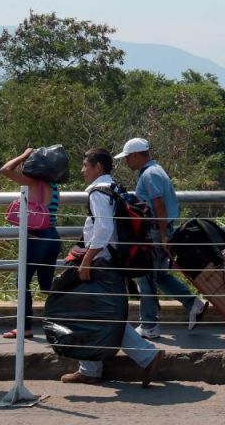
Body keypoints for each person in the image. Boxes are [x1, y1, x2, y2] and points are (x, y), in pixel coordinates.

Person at [59, 149, 163, 386]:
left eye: (86, 165)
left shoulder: (98, 192)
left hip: (101, 262)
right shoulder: (113, 187)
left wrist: (87, 260)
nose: (83, 170)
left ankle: (145, 355)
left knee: (101, 313)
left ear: (98, 168)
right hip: (111, 259)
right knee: (96, 312)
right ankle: (91, 368)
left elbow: (103, 229)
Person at [114, 138, 207, 339]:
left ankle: (149, 325)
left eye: (128, 158)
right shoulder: (155, 170)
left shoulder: (149, 174)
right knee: (159, 275)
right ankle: (192, 303)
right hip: (159, 230)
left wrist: (163, 235)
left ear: (137, 155)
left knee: (146, 276)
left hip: (156, 231)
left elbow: (159, 206)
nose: (127, 162)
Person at [0, 147, 63, 339]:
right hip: (53, 237)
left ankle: (25, 327)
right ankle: (67, 316)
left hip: (36, 238)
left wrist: (23, 155)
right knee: (46, 286)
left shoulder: (32, 182)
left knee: (22, 283)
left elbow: (6, 169)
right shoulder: (55, 186)